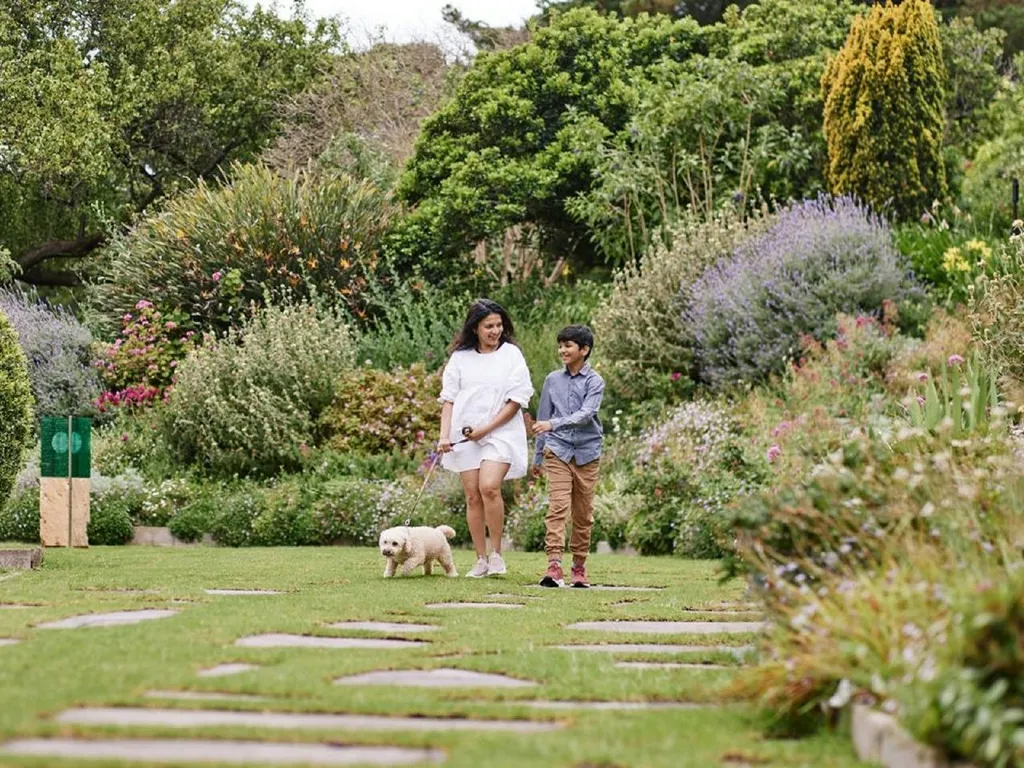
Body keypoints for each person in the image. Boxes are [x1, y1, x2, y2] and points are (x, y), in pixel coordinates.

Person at [438, 299, 534, 578]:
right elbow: (449, 400)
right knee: (472, 495)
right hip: (465, 434)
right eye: (489, 326)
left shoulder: (511, 355)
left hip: (500, 431)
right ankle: (480, 559)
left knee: (489, 487)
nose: (495, 331)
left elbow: (517, 400)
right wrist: (445, 436)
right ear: (475, 328)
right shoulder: (460, 358)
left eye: (499, 325)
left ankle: (497, 554)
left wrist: (487, 429)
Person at [531, 325, 605, 588]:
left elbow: (586, 414)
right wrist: (537, 458)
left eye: (568, 345)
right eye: (560, 345)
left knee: (583, 514)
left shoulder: (595, 381)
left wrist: (554, 424)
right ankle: (554, 567)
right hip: (558, 450)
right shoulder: (552, 380)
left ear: (583, 350)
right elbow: (542, 419)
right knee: (557, 508)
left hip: (587, 453)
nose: (562, 350)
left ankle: (579, 567)